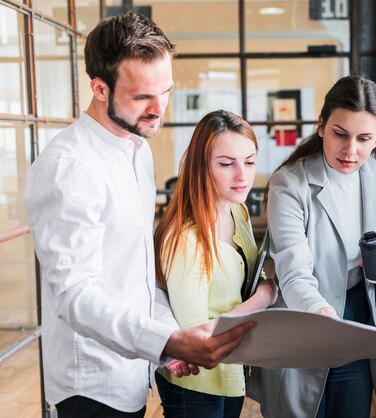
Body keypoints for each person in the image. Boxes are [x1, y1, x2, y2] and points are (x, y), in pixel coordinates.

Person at [23, 13, 253, 418]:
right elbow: (74, 296)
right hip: (90, 387)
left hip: (133, 371)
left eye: (164, 91)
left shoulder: (137, 148)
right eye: (142, 96)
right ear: (99, 88)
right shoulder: (69, 167)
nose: (158, 108)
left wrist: (169, 337)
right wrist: (166, 340)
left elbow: (137, 275)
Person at [257, 75, 376, 418]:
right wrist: (324, 317)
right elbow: (293, 273)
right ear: (321, 125)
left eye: (365, 138)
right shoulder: (289, 183)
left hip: (356, 315)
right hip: (303, 315)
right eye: (340, 134)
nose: (351, 150)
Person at [152, 110, 278, 418]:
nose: (243, 176)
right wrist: (264, 296)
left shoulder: (238, 211)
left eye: (249, 161)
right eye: (226, 164)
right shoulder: (186, 236)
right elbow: (197, 337)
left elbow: (239, 281)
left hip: (230, 373)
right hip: (195, 383)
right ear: (201, 166)